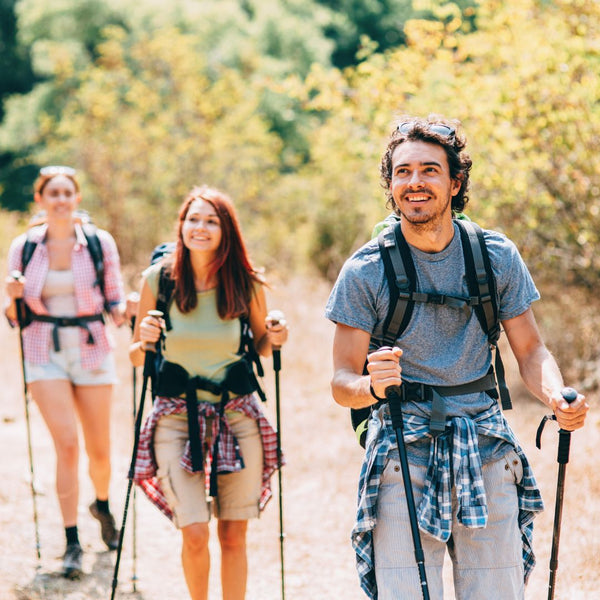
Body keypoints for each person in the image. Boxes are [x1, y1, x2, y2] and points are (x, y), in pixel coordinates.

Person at [325, 116, 589, 599]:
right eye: (402, 172)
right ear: (390, 184)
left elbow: (530, 350)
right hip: (402, 451)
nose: (415, 182)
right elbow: (342, 380)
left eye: (429, 170)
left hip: (485, 443)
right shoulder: (366, 270)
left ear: (455, 181)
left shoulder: (495, 256)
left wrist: (557, 395)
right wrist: (372, 385)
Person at [130, 184, 288, 600]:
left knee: (233, 535)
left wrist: (276, 334)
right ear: (181, 225)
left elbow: (261, 344)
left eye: (211, 221)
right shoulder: (158, 280)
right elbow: (136, 357)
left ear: (226, 230)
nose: (199, 228)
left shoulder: (246, 283)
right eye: (192, 219)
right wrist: (143, 338)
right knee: (195, 532)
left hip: (237, 416)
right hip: (174, 418)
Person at [4, 165, 129, 578]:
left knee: (99, 450)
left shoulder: (98, 243)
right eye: (52, 193)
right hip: (44, 350)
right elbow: (14, 315)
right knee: (67, 445)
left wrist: (127, 308)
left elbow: (113, 301)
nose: (60, 200)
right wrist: (12, 297)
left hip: (92, 349)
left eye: (66, 193)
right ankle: (72, 540)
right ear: (40, 200)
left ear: (76, 198)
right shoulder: (24, 247)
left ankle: (102, 504)